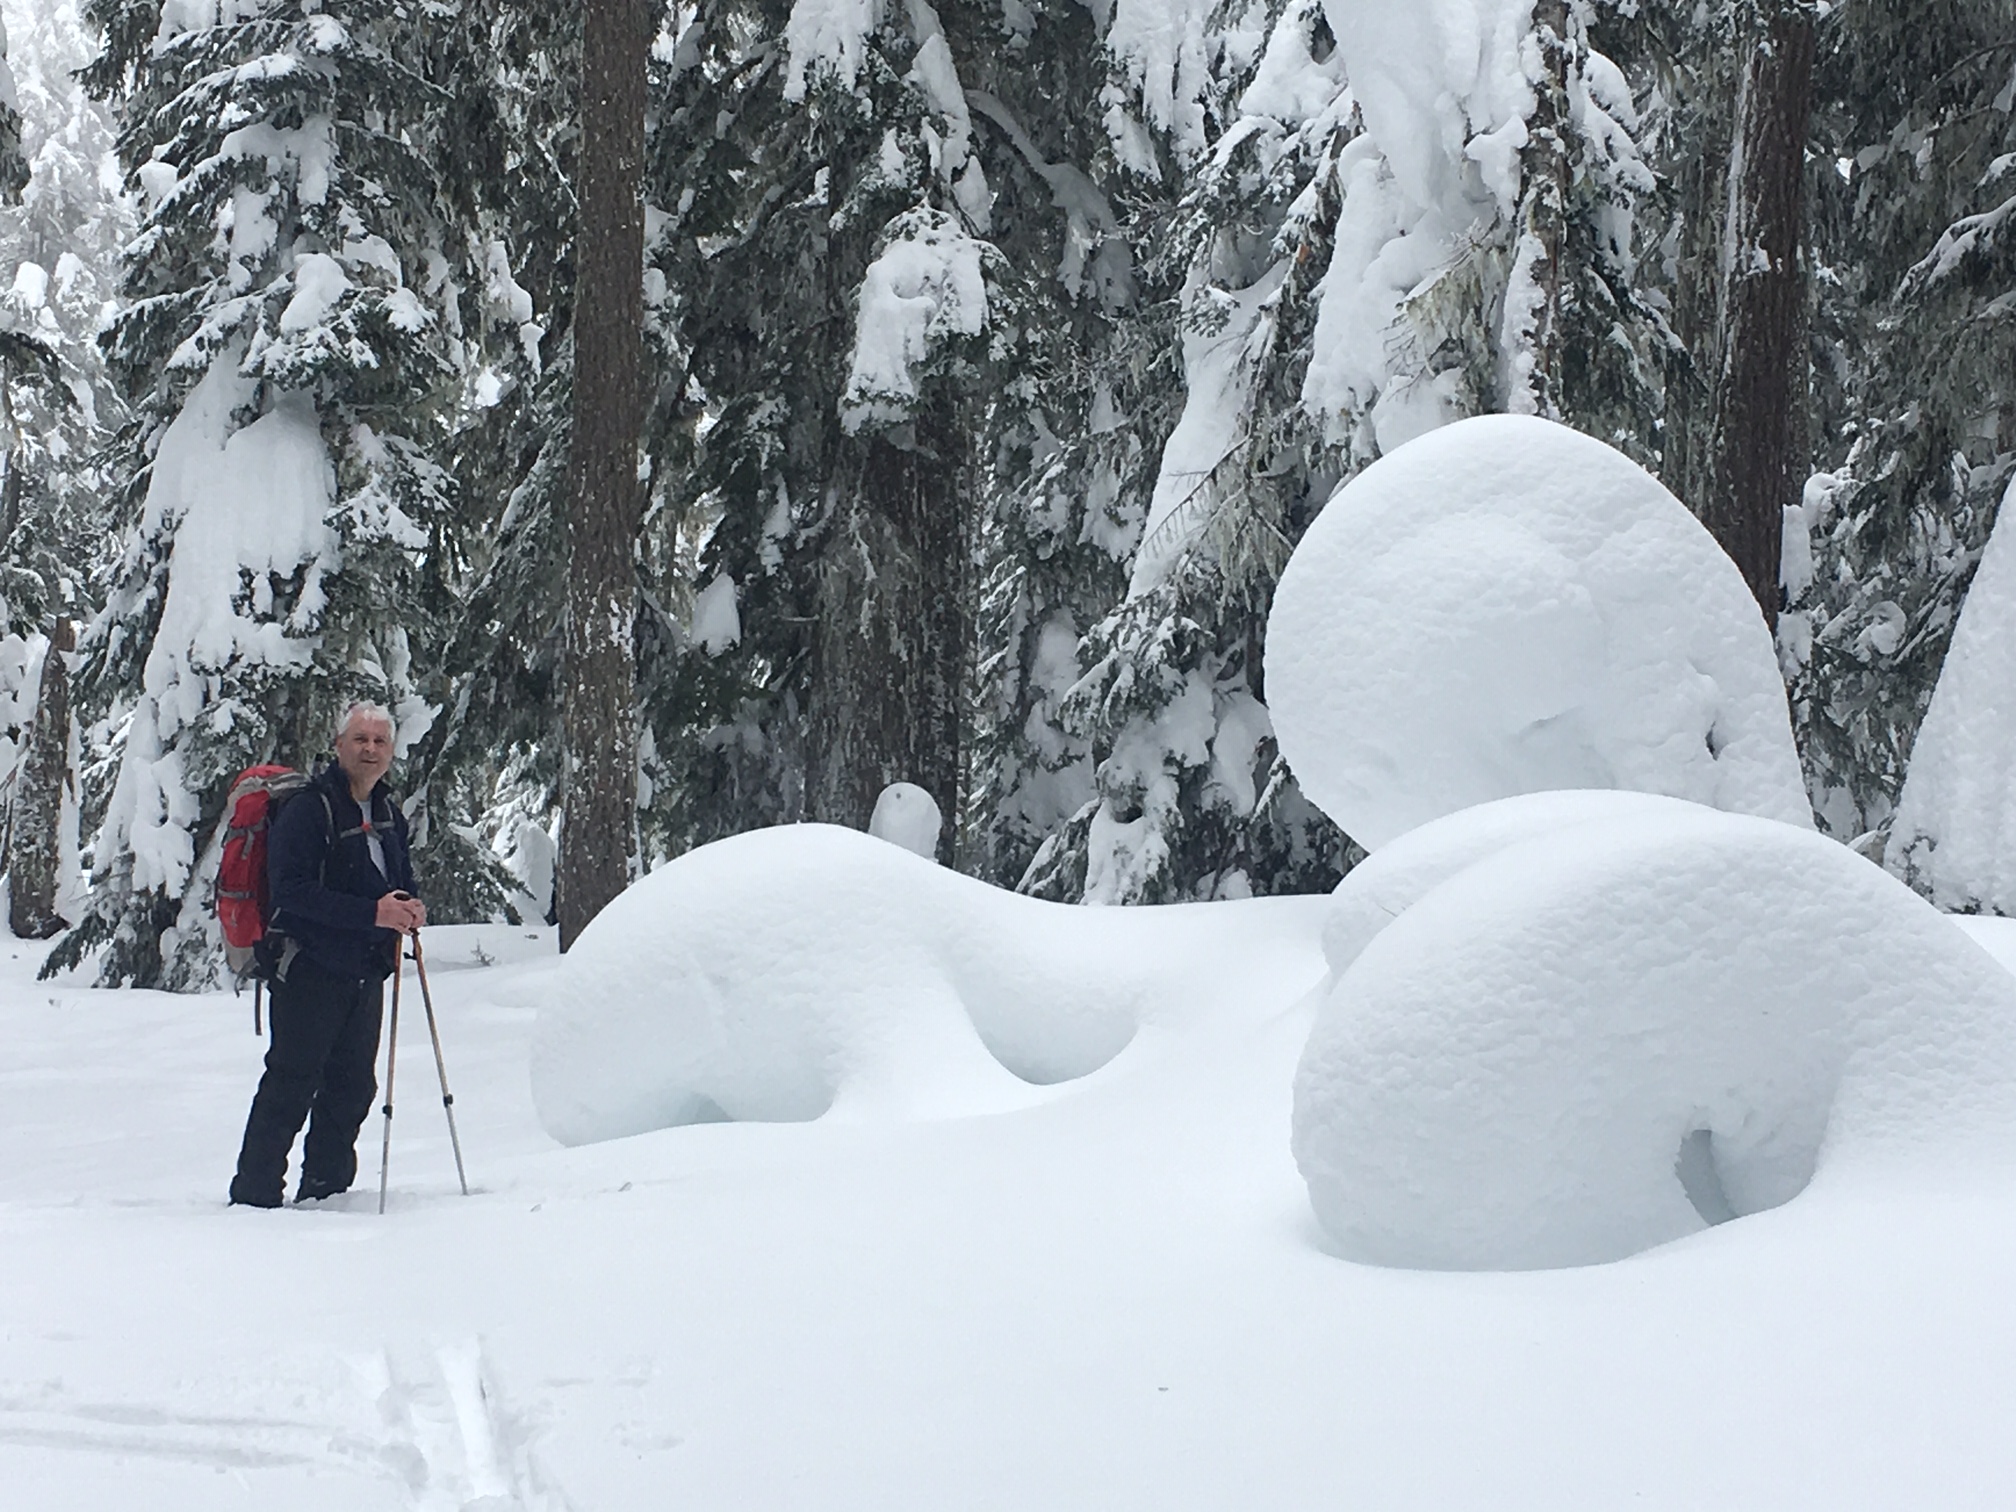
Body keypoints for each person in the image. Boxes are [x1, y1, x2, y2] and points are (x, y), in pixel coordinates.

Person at [228, 702, 426, 1207]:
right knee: (292, 1084)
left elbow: (397, 880)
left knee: (353, 1087)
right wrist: (372, 914)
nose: (370, 750)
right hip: (308, 968)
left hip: (365, 971)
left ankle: (326, 1193)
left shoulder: (388, 813)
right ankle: (254, 1196)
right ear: (338, 746)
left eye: (380, 741)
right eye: (360, 739)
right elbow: (291, 892)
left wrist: (408, 907)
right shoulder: (309, 809)